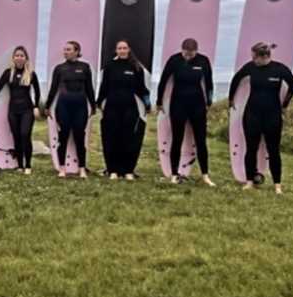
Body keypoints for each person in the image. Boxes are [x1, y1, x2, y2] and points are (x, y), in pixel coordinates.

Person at [229, 42, 293, 194]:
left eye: (255, 57)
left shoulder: (280, 69)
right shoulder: (251, 67)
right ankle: (249, 181)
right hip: (252, 114)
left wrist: (285, 104)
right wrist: (230, 98)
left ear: (264, 56)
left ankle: (277, 185)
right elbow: (237, 79)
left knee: (273, 151)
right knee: (251, 149)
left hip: (273, 116)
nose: (253, 59)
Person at [157, 38, 216, 186]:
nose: (188, 57)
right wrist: (159, 101)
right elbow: (164, 81)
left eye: (191, 54)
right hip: (178, 104)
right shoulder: (174, 60)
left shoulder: (203, 61)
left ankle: (205, 175)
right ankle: (174, 174)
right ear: (182, 50)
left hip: (197, 105)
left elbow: (209, 83)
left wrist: (209, 101)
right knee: (177, 139)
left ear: (196, 51)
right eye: (186, 54)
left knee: (201, 140)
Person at [97, 40, 150, 181]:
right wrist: (99, 103)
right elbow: (104, 87)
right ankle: (112, 170)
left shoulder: (136, 67)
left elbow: (142, 88)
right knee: (111, 138)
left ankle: (128, 170)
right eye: (119, 48)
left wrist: (147, 102)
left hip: (130, 108)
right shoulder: (110, 66)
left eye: (124, 48)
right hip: (112, 107)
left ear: (128, 50)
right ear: (116, 50)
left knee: (129, 139)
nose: (122, 50)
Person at [44, 41, 96, 179]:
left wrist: (93, 105)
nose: (65, 52)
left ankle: (82, 168)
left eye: (68, 49)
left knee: (80, 137)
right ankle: (62, 168)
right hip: (63, 107)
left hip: (80, 107)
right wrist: (48, 106)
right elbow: (53, 88)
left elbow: (89, 88)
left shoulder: (85, 67)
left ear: (76, 51)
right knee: (63, 137)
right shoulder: (59, 68)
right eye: (64, 50)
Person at [0, 45, 41, 174]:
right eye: (17, 55)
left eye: (22, 56)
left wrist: (36, 106)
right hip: (13, 110)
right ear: (13, 58)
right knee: (16, 137)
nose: (19, 58)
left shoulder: (31, 74)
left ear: (26, 58)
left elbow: (37, 92)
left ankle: (28, 165)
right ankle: (20, 165)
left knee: (25, 135)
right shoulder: (8, 73)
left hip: (27, 110)